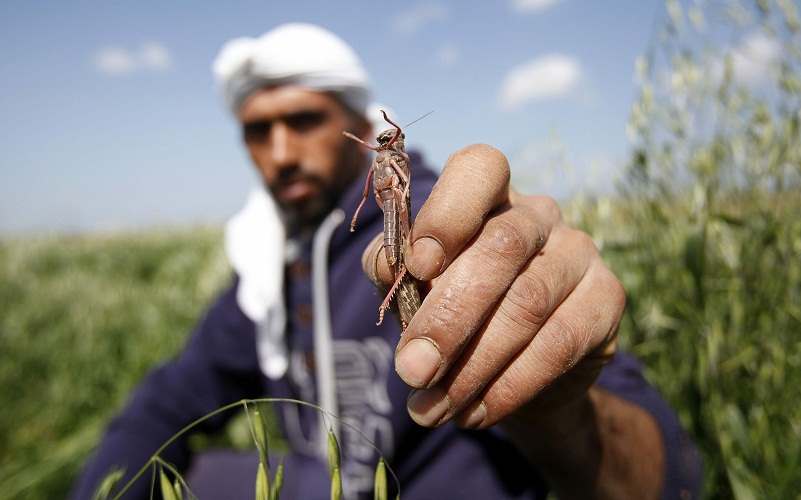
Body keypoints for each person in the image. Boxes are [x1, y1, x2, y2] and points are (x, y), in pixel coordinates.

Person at [73, 23, 701, 499]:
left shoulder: (448, 214)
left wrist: (555, 407)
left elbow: (666, 480)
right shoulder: (267, 261)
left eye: (303, 119)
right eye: (258, 130)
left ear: (357, 120)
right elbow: (170, 398)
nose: (281, 152)